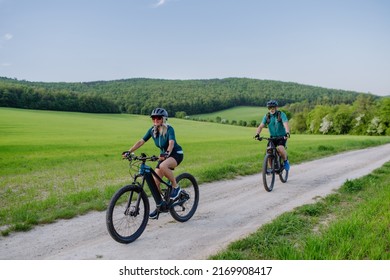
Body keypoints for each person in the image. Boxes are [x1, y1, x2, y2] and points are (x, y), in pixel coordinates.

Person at [123, 108, 184, 219]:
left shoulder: (169, 129)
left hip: (175, 154)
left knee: (163, 165)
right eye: (153, 118)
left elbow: (171, 143)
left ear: (164, 119)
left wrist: (167, 153)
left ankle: (176, 187)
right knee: (155, 184)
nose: (155, 120)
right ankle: (160, 206)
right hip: (163, 156)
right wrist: (129, 151)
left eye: (158, 118)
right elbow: (141, 141)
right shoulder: (152, 130)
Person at [255, 100, 291, 171]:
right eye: (270, 107)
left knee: (280, 148)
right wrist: (257, 134)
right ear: (268, 108)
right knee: (269, 151)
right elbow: (261, 126)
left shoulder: (281, 114)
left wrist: (287, 132)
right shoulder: (267, 116)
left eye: (273, 107)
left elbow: (285, 123)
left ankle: (285, 161)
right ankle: (272, 168)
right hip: (272, 137)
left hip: (281, 136)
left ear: (276, 107)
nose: (271, 109)